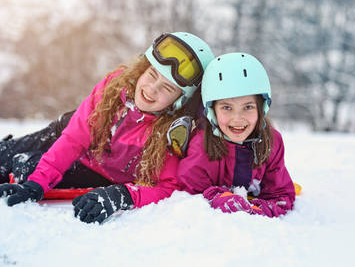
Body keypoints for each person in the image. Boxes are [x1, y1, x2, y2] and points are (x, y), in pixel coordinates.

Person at [0, 32, 215, 224]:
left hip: (97, 167)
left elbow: (170, 187)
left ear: (180, 101)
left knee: (24, 168)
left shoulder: (172, 136)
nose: (152, 88)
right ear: (142, 68)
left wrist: (121, 195)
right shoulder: (115, 89)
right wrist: (37, 183)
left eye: (167, 88)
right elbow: (74, 138)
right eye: (151, 75)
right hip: (70, 134)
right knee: (6, 157)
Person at [177, 53, 295, 218]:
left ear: (261, 108)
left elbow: (281, 196)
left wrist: (255, 208)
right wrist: (219, 198)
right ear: (212, 111)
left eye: (248, 107)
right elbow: (189, 191)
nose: (238, 119)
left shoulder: (272, 141)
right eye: (227, 108)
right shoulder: (202, 145)